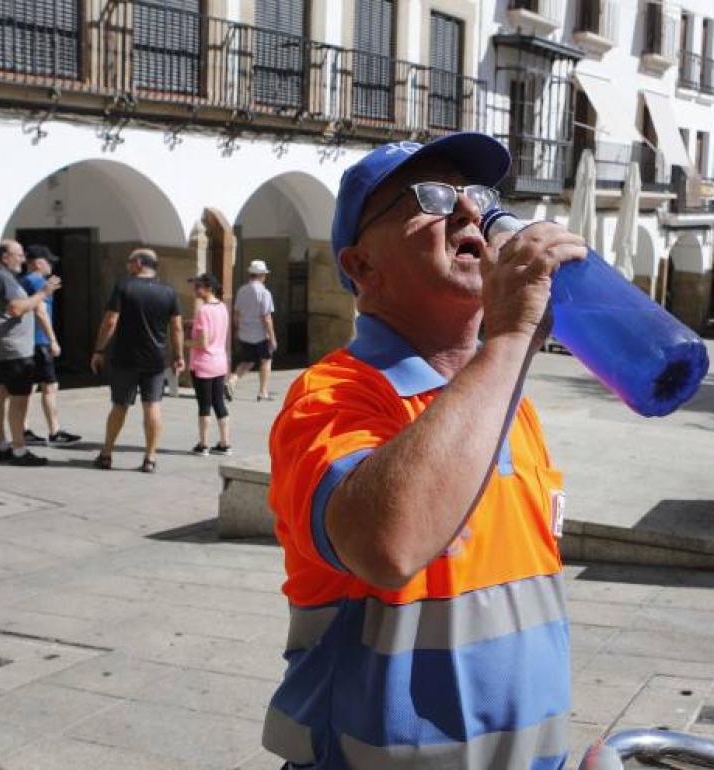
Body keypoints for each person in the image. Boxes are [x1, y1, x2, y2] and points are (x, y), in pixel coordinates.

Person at [261, 134, 586, 769]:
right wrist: (513, 335)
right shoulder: (332, 395)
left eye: (480, 196)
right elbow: (388, 544)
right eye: (432, 197)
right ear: (361, 268)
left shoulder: (507, 399)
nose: (470, 212)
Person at [90, 249, 183, 473]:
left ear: (139, 263)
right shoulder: (168, 291)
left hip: (125, 358)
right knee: (152, 406)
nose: (127, 265)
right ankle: (150, 458)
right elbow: (177, 327)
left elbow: (110, 321)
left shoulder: (124, 286)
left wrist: (99, 349)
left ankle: (106, 454)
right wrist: (179, 356)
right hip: (155, 359)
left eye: (129, 261)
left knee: (119, 406)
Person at [0, 240, 59, 466]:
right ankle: (19, 450)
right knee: (19, 399)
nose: (24, 260)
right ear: (5, 257)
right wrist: (43, 293)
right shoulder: (3, 278)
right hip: (13, 350)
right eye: (19, 255)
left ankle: (1, 446)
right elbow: (16, 308)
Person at [17, 244, 81, 446]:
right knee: (50, 386)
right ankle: (54, 432)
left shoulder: (23, 280)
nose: (51, 264)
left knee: (29, 387)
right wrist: (52, 339)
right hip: (39, 341)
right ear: (37, 263)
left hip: (28, 341)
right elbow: (40, 311)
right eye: (48, 261)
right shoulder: (37, 282)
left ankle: (22, 430)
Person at [186, 273, 232, 456]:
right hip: (220, 362)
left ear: (209, 288)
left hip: (203, 364)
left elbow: (203, 343)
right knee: (219, 403)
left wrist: (186, 342)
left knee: (204, 405)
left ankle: (203, 444)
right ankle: (225, 442)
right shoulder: (222, 307)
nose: (195, 289)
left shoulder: (203, 311)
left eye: (199, 286)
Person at [229, 259, 276, 401]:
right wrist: (272, 338)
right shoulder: (264, 292)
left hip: (245, 332)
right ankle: (263, 391)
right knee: (266, 360)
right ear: (262, 275)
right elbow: (266, 317)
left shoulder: (242, 290)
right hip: (260, 334)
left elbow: (236, 313)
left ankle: (232, 380)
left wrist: (237, 329)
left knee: (246, 361)